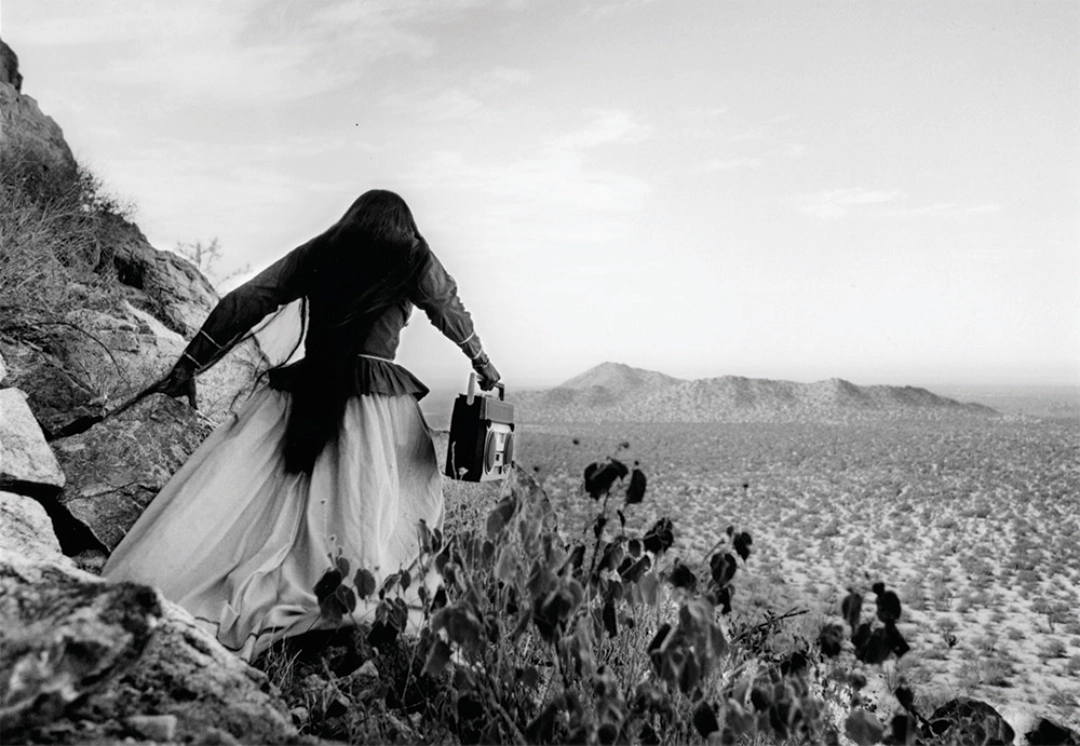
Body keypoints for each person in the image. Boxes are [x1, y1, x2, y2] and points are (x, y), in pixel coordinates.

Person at [102, 189, 500, 661]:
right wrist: (483, 363)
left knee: (257, 497)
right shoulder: (412, 254)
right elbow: (447, 308)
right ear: (404, 226)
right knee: (392, 499)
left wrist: (192, 362)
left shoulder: (323, 249)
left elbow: (249, 299)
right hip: (375, 404)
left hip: (305, 390)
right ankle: (360, 595)